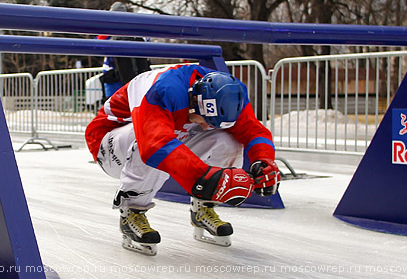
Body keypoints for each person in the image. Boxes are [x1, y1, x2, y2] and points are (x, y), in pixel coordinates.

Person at [85, 64, 281, 256]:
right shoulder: (163, 90)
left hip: (164, 132)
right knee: (146, 140)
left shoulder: (229, 93)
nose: (206, 128)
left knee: (228, 138)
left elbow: (253, 130)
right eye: (205, 120)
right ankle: (131, 212)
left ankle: (204, 208)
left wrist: (263, 161)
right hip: (109, 145)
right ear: (195, 100)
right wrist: (204, 178)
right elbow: (154, 145)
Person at [98, 2, 151, 99]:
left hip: (114, 73)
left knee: (114, 105)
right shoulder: (137, 29)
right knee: (134, 102)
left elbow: (97, 44)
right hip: (134, 74)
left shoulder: (108, 30)